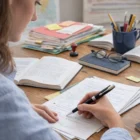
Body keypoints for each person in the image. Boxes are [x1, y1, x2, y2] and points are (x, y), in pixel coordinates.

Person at [0, 0, 133, 140]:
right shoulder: (5, 96)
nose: (34, 17)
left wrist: (19, 111)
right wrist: (116, 124)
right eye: (36, 2)